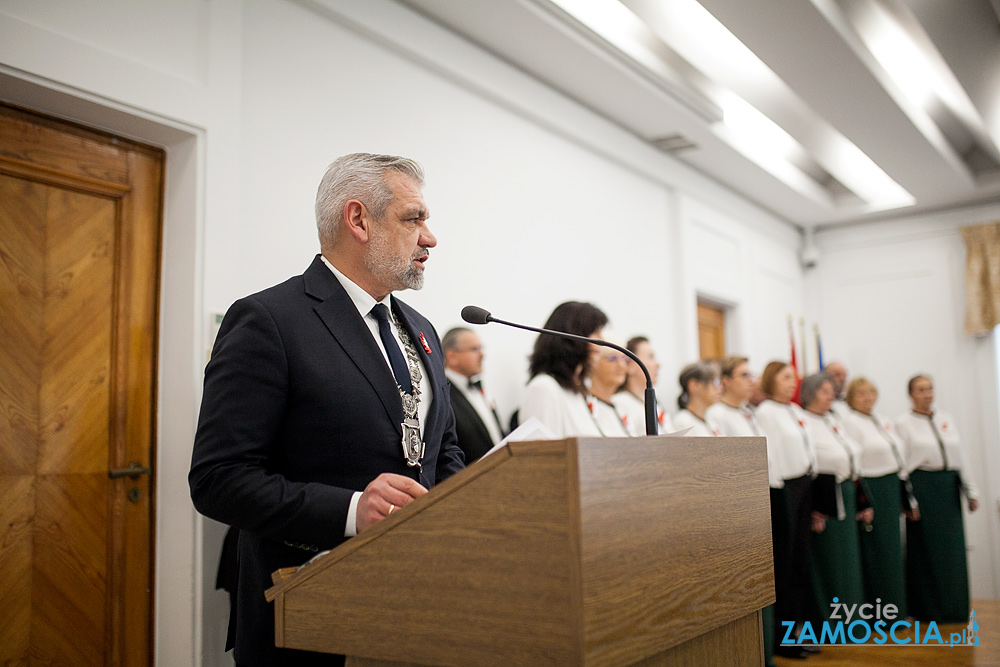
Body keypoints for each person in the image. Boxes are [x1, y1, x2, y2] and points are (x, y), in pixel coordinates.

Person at [188, 153, 466, 666]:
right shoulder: (269, 320)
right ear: (358, 219)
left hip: (418, 609)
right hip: (307, 617)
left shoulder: (423, 330)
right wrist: (352, 510)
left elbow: (441, 451)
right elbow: (218, 478)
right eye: (414, 219)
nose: (430, 237)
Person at [705, 356, 779, 666]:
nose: (752, 380)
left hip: (764, 496)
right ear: (724, 381)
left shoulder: (749, 413)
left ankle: (768, 649)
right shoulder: (716, 415)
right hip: (738, 506)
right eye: (744, 374)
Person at [895, 374, 980, 623]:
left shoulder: (946, 419)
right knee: (926, 551)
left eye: (930, 388)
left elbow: (960, 456)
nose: (927, 394)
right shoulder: (903, 423)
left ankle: (955, 607)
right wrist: (908, 500)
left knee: (951, 552)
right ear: (910, 394)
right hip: (924, 489)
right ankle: (927, 609)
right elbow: (902, 466)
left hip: (948, 490)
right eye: (921, 390)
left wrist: (970, 491)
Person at [755, 361, 817, 660]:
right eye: (786, 377)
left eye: (794, 378)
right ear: (770, 381)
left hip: (804, 485)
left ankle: (799, 632)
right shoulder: (766, 411)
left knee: (801, 564)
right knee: (786, 565)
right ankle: (784, 639)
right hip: (784, 489)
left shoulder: (795, 411)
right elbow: (770, 453)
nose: (793, 383)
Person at [799, 373, 870, 625]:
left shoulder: (832, 419)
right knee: (831, 561)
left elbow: (851, 454)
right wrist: (815, 508)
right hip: (823, 496)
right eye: (824, 391)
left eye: (832, 391)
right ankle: (832, 622)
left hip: (847, 491)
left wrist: (863, 501)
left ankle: (853, 621)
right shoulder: (804, 420)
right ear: (809, 394)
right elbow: (811, 463)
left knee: (849, 562)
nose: (831, 396)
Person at [841, 377, 911, 618]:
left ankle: (898, 607)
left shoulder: (882, 419)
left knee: (893, 548)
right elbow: (855, 462)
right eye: (861, 393)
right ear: (850, 397)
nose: (867, 397)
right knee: (878, 549)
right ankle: (880, 612)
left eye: (871, 392)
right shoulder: (850, 422)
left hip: (891, 486)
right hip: (872, 487)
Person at [518, 301, 608, 438]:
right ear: (572, 335)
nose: (602, 340)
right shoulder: (544, 388)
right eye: (596, 332)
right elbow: (542, 453)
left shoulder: (580, 390)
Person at [443, 327, 505, 463]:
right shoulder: (443, 394)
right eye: (474, 349)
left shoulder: (479, 387)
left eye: (481, 348)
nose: (482, 355)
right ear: (452, 356)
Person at [613, 336, 672, 435]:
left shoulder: (657, 404)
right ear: (630, 366)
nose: (658, 364)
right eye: (650, 357)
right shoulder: (619, 403)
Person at [588, 345, 631, 437]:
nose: (621, 365)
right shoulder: (587, 404)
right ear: (593, 364)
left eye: (624, 358)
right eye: (612, 358)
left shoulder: (620, 407)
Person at [671, 361, 722, 436]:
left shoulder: (711, 420)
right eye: (715, 382)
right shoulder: (683, 422)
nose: (720, 388)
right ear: (694, 385)